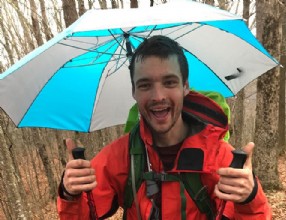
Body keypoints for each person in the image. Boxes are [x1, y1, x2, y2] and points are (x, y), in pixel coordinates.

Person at [57, 35, 271, 220]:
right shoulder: (120, 157)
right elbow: (84, 213)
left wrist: (249, 198)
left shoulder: (218, 157)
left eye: (169, 82)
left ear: (185, 86)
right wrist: (69, 194)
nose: (158, 97)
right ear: (134, 92)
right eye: (145, 85)